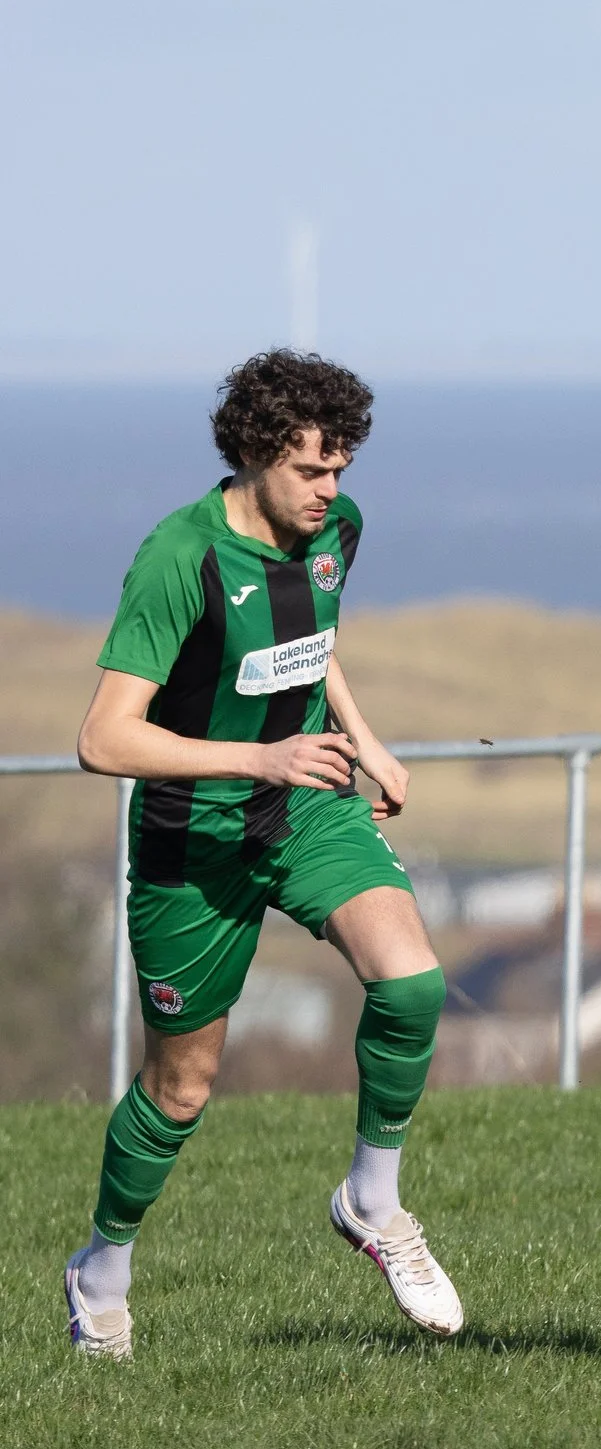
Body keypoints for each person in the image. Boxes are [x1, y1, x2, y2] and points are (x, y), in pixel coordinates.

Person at [65, 350, 461, 1359]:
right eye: (311, 471)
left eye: (342, 469)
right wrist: (260, 755)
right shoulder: (178, 558)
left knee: (412, 982)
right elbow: (104, 738)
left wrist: (361, 740)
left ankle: (373, 1202)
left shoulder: (339, 532)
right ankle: (100, 1267)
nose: (333, 492)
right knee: (181, 1089)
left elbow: (310, 643)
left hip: (304, 807)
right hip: (190, 840)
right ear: (251, 454)